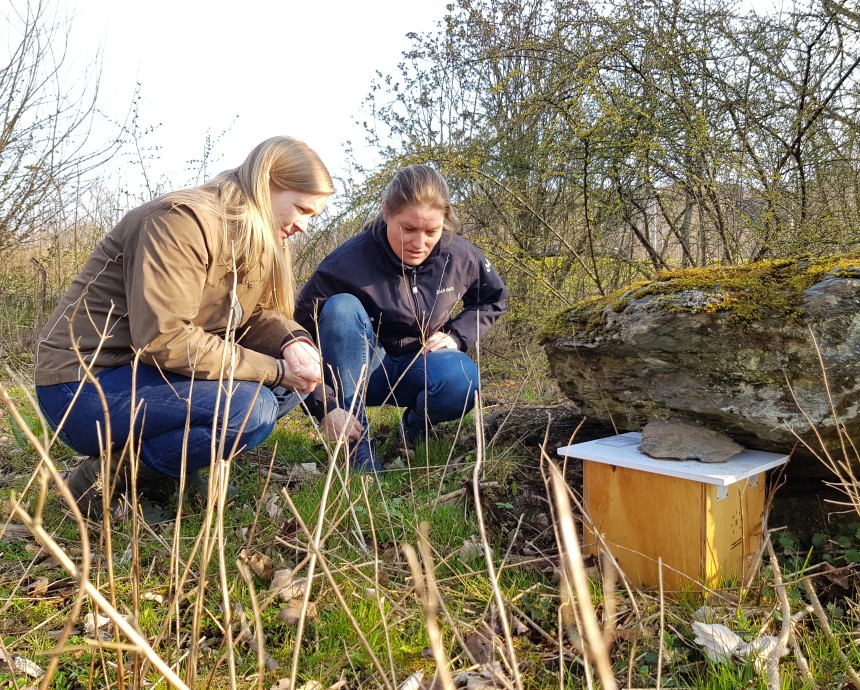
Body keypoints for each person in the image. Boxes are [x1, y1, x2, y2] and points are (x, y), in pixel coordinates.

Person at [34, 136, 333, 518]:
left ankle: (170, 470)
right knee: (251, 405)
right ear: (267, 184)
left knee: (292, 385)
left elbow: (252, 315)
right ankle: (104, 482)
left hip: (148, 375)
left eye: (313, 216)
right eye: (301, 209)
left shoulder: (254, 235)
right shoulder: (180, 221)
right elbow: (166, 338)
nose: (305, 226)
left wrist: (291, 343)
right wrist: (273, 371)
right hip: (82, 385)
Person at [295, 164, 508, 471]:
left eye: (431, 231)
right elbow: (298, 335)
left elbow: (493, 299)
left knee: (462, 378)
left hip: (421, 364)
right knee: (341, 308)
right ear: (386, 212)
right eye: (408, 229)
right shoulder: (346, 261)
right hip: (364, 372)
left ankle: (413, 430)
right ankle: (358, 449)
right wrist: (323, 405)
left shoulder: (462, 256)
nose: (419, 243)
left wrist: (457, 336)